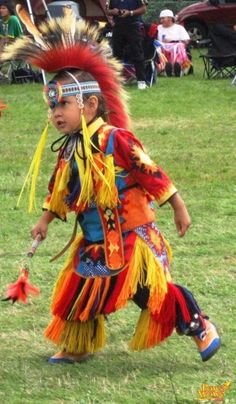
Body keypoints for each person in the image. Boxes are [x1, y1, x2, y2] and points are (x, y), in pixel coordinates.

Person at [1, 16, 221, 364]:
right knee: (79, 290)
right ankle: (78, 345)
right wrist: (45, 220)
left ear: (89, 106)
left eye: (63, 105)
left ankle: (200, 326)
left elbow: (150, 172)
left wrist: (178, 206)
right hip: (94, 240)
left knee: (151, 293)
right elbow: (60, 189)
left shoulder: (116, 139)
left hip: (133, 236)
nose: (55, 113)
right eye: (52, 107)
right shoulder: (71, 146)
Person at [106, 0, 148, 90]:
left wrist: (131, 13)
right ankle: (116, 81)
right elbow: (107, 10)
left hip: (133, 26)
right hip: (118, 27)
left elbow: (144, 9)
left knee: (137, 52)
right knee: (116, 54)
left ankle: (141, 81)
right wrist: (113, 12)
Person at [157, 9, 191, 77]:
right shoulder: (158, 28)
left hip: (177, 50)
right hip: (162, 50)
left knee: (179, 46)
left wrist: (173, 41)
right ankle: (166, 68)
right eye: (161, 19)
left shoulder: (179, 28)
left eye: (163, 18)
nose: (161, 20)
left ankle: (178, 67)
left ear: (170, 18)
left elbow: (186, 41)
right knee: (157, 47)